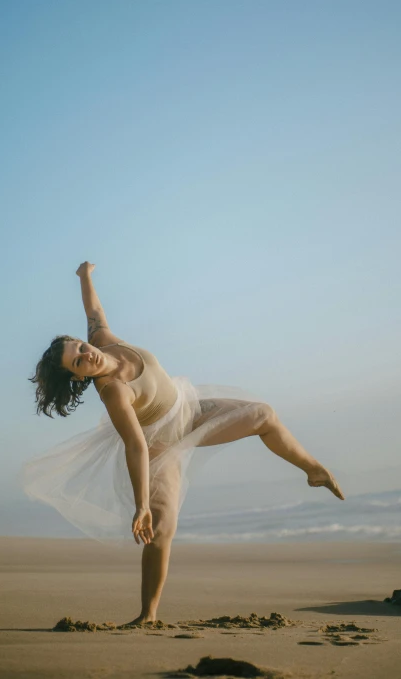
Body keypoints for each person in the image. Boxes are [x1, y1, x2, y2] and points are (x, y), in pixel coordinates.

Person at [24, 261, 344, 625]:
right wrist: (141, 505)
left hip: (188, 407)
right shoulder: (113, 392)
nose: (86, 355)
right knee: (161, 530)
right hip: (160, 442)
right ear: (78, 376)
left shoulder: (101, 339)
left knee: (263, 415)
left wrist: (85, 277)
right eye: (78, 362)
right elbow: (136, 446)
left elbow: (94, 310)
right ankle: (148, 615)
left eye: (80, 347)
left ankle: (313, 470)